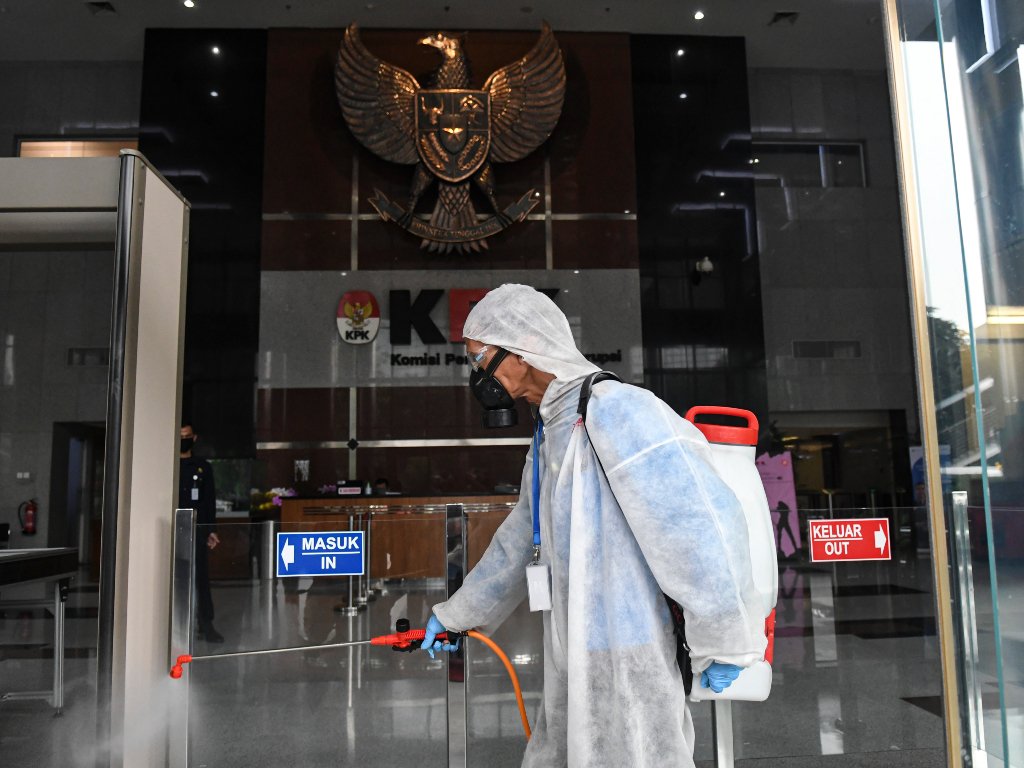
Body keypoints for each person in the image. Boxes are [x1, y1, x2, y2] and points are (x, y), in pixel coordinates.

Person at [420, 284, 766, 768]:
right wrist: (457, 614)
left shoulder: (618, 409)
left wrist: (725, 638)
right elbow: (521, 539)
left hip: (632, 647)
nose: (478, 375)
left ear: (521, 349)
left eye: (480, 359)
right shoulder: (551, 430)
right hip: (573, 646)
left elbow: (698, 528)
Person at [179, 422, 223, 643]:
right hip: (174, 530)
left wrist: (211, 530)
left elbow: (208, 501)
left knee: (200, 578)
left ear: (194, 438)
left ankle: (206, 623)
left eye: (187, 436)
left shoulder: (203, 467)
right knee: (175, 577)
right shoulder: (168, 466)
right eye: (180, 437)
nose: (183, 440)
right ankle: (176, 624)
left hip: (196, 529)